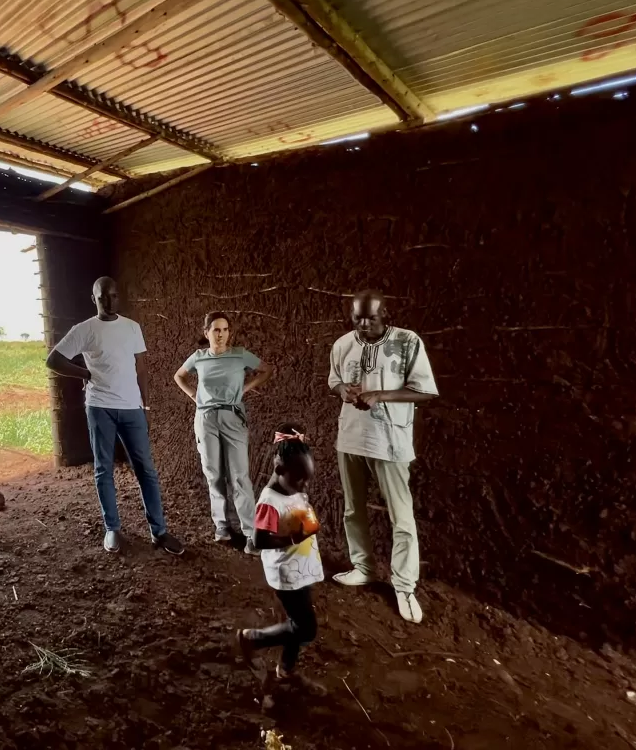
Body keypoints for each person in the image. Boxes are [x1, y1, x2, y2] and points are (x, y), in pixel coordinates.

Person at [45, 277, 184, 556]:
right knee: (103, 469)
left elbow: (141, 369)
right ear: (93, 299)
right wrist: (84, 373)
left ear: (118, 297)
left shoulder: (132, 328)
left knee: (145, 469)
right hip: (100, 407)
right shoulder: (84, 330)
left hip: (132, 408)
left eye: (113, 296)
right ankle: (112, 529)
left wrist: (144, 406)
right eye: (102, 297)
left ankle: (159, 531)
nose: (108, 302)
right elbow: (54, 360)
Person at [328, 290, 438, 624]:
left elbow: (426, 391)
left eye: (371, 318)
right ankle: (363, 567)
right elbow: (333, 380)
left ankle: (404, 585)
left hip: (390, 442)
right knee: (352, 508)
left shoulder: (407, 342)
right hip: (350, 438)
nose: (363, 324)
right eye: (357, 317)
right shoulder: (343, 343)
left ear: (385, 314)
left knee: (401, 517)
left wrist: (382, 395)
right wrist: (342, 390)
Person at [236, 425, 326, 695]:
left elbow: (298, 515)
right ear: (279, 471)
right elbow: (259, 541)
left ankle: (286, 671)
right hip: (287, 573)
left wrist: (305, 523)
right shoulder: (269, 501)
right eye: (299, 480)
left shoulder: (292, 487)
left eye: (306, 480)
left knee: (297, 624)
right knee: (305, 629)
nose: (304, 485)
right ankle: (252, 639)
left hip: (301, 566)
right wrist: (293, 539)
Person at [174, 312, 273, 554]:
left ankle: (251, 533)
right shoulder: (198, 358)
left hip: (232, 417)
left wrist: (245, 389)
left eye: (225, 329)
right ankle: (222, 526)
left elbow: (267, 370)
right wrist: (193, 396)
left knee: (239, 476)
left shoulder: (239, 355)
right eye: (216, 330)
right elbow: (179, 376)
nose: (221, 334)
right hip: (206, 419)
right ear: (206, 332)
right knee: (213, 473)